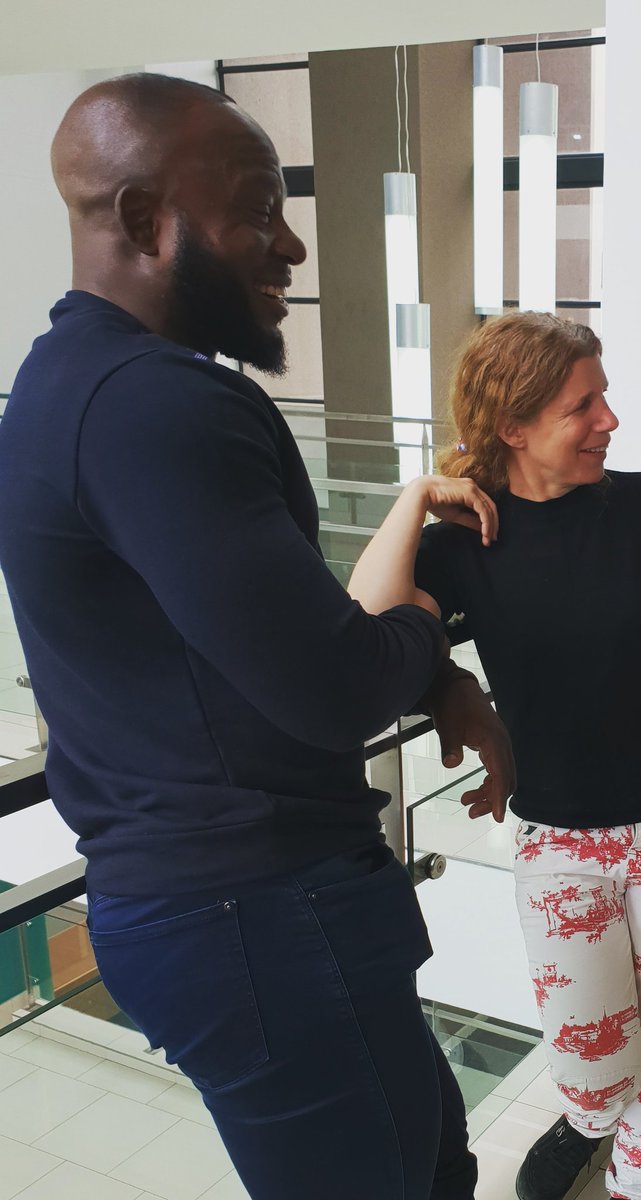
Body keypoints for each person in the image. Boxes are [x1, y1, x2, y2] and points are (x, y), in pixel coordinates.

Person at [0, 73, 515, 1200]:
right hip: (256, 911)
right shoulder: (157, 403)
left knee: (431, 1161)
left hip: (227, 907)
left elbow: (261, 650)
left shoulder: (64, 382)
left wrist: (415, 669)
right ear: (144, 221)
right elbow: (337, 683)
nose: (288, 246)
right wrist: (427, 631)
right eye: (256, 208)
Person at [346, 311, 641, 1200]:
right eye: (586, 405)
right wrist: (416, 499)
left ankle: (634, 1188)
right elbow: (367, 625)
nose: (610, 420)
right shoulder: (466, 543)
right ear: (515, 425)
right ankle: (586, 1119)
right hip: (560, 841)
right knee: (597, 1062)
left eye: (604, 397)